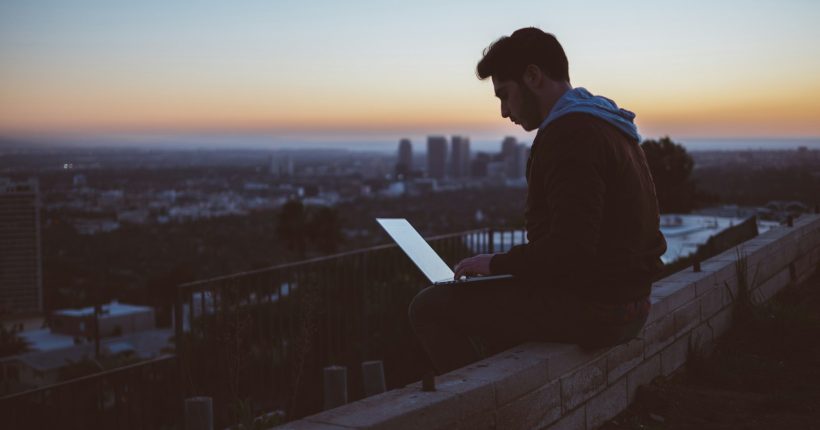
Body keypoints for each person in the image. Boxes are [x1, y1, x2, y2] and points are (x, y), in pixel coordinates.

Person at [408, 27, 667, 375]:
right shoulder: (608, 124)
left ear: (533, 76)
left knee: (429, 307)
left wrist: (496, 264)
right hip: (630, 303)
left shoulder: (570, 134)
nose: (504, 111)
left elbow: (571, 250)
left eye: (505, 95)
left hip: (600, 310)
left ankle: (481, 408)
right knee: (492, 302)